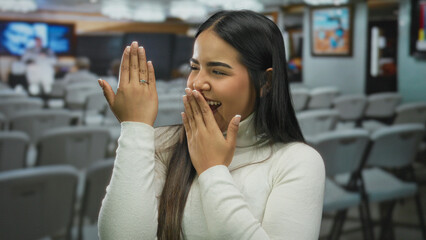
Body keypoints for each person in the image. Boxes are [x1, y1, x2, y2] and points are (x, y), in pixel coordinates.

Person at [98, 10, 325, 239]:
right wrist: (136, 127)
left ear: (266, 82)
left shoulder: (297, 161)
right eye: (194, 67)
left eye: (218, 71)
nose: (197, 83)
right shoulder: (164, 144)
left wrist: (212, 170)